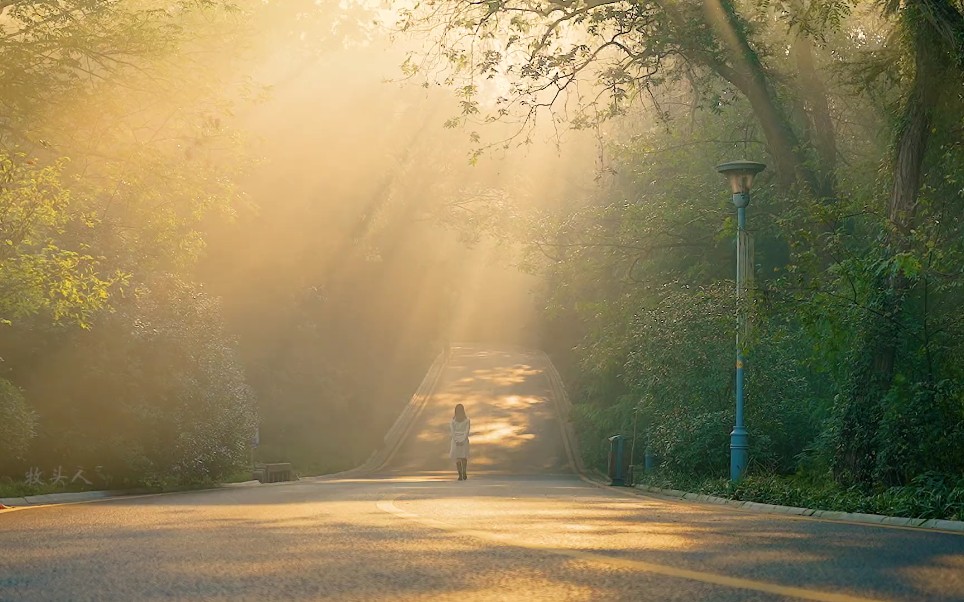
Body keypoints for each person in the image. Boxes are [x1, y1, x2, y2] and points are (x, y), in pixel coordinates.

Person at [450, 403, 471, 481]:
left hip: (455, 441)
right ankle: (464, 472)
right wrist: (463, 439)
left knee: (458, 458)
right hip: (464, 440)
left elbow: (452, 432)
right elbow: (467, 431)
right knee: (464, 457)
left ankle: (460, 475)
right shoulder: (467, 420)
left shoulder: (452, 421)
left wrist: (456, 440)